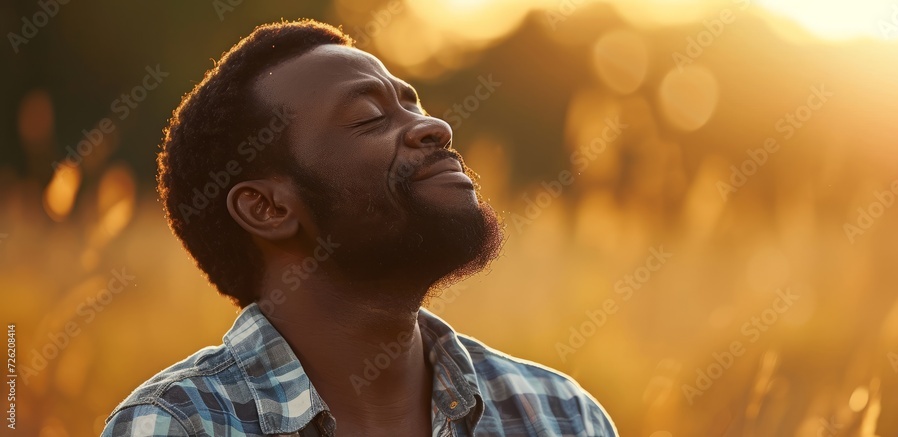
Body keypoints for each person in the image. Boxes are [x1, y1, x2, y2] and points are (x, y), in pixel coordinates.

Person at [101, 19, 617, 436]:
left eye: (412, 102)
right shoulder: (178, 426)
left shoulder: (562, 417)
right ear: (268, 208)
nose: (436, 126)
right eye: (369, 116)